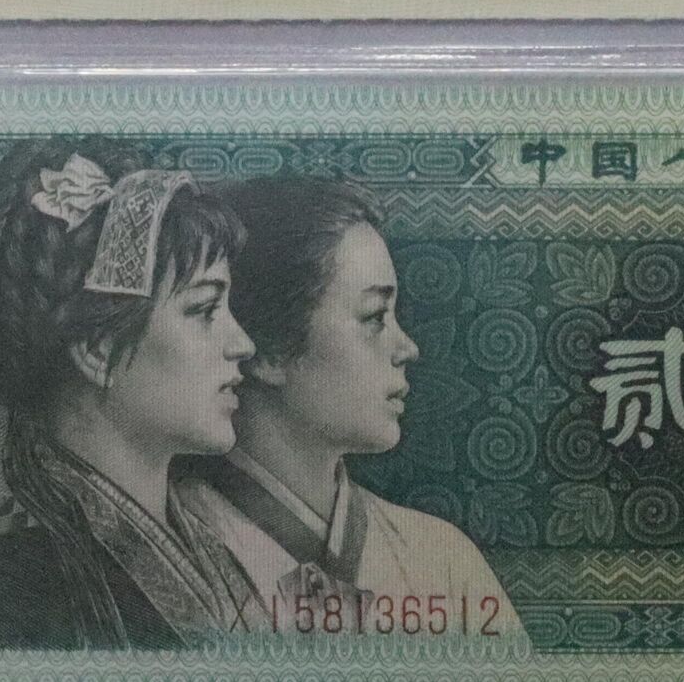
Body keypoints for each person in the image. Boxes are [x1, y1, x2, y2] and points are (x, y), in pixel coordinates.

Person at [0, 139, 261, 650]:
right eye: (202, 310)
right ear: (98, 350)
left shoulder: (209, 547)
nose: (243, 344)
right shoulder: (15, 590)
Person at [179, 176, 519, 643]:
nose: (408, 348)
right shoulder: (169, 555)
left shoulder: (443, 560)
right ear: (269, 351)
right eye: (374, 317)